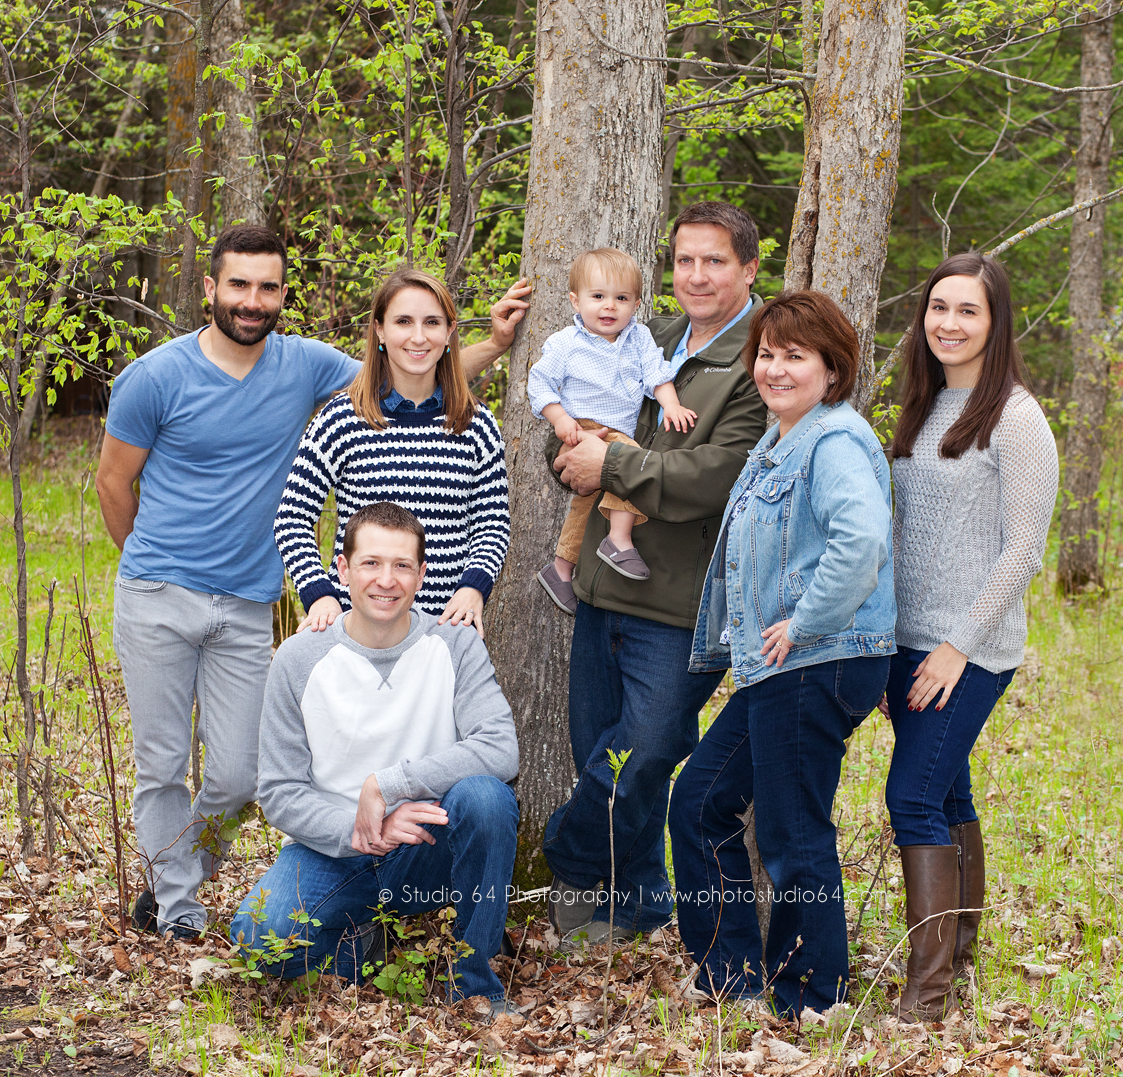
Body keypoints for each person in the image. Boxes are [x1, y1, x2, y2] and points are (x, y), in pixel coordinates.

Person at [98, 226, 528, 938]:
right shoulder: (156, 376)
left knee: (238, 774)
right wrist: (152, 560)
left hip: (248, 602)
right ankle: (175, 906)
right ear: (209, 289)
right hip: (160, 592)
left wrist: (493, 347)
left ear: (282, 296)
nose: (251, 300)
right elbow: (113, 481)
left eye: (267, 287)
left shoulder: (307, 367)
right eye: (237, 284)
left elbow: (409, 366)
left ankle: (181, 866)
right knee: (163, 765)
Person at [541, 201, 771, 947]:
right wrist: (576, 454)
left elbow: (718, 473)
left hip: (682, 601)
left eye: (714, 261)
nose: (696, 275)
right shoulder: (648, 332)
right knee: (597, 749)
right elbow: (588, 410)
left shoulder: (759, 356)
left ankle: (566, 860)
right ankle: (635, 903)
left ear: (748, 268)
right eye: (684, 260)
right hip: (604, 585)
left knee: (640, 754)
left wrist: (608, 462)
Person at [669, 291, 895, 1018]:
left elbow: (860, 542)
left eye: (794, 356)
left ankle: (812, 994)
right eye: (766, 353)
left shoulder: (830, 442)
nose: (774, 367)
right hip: (783, 664)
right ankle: (727, 972)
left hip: (817, 658)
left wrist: (803, 621)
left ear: (832, 369)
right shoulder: (780, 440)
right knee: (700, 799)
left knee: (791, 828)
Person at [230, 502, 520, 1016]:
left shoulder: (455, 645)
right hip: (332, 849)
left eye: (402, 565)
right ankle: (363, 946)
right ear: (341, 569)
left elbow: (500, 748)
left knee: (487, 797)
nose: (386, 580)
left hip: (428, 846)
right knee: (258, 935)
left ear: (422, 574)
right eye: (370, 563)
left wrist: (388, 785)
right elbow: (278, 790)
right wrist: (361, 824)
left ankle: (474, 983)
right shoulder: (299, 659)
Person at [885, 252, 1058, 1022]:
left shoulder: (1017, 418)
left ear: (995, 323)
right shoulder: (920, 405)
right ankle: (956, 952)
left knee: (911, 795)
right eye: (938, 307)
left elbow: (1023, 548)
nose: (948, 323)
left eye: (967, 311)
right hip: (902, 641)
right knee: (946, 788)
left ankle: (926, 998)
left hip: (969, 649)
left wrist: (956, 644)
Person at [274, 267, 511, 634]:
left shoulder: (476, 423)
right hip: (358, 633)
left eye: (431, 322)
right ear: (380, 330)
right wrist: (320, 593)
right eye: (403, 321)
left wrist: (472, 588)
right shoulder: (342, 419)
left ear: (449, 332)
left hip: (445, 631)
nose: (418, 337)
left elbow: (491, 524)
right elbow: (292, 517)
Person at [531, 248, 698, 605]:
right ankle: (619, 540)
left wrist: (671, 404)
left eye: (621, 298)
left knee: (586, 504)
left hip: (619, 429)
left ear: (636, 303)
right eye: (598, 297)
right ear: (576, 301)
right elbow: (540, 384)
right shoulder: (566, 343)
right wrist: (561, 421)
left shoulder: (638, 339)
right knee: (630, 464)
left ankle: (560, 568)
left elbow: (657, 374)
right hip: (584, 426)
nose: (609, 306)